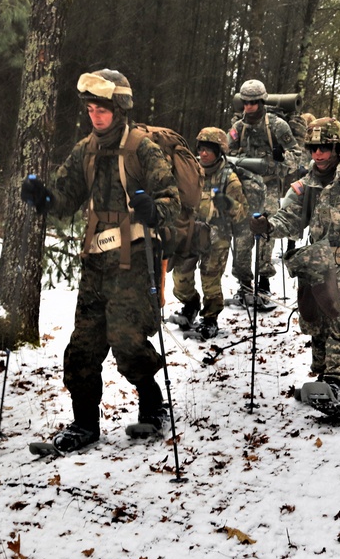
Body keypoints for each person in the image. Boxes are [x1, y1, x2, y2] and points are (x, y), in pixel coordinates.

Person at [20, 68, 180, 451]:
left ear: (119, 108)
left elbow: (171, 201)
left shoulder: (143, 148)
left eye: (103, 108)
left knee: (126, 340)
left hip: (135, 259)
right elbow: (65, 199)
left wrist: (151, 209)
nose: (95, 115)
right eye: (91, 108)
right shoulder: (84, 150)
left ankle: (152, 405)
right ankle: (84, 423)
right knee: (83, 346)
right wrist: (43, 198)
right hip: (95, 261)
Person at [249, 117, 340, 401]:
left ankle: (336, 380)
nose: (319, 154)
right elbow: (287, 219)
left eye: (325, 147)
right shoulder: (304, 186)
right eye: (314, 148)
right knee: (318, 319)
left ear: (338, 148)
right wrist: (267, 226)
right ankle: (325, 374)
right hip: (319, 259)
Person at [167, 128, 248, 340]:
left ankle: (210, 318)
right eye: (201, 149)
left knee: (210, 279)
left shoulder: (229, 178)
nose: (203, 154)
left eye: (208, 151)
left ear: (219, 152)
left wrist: (228, 204)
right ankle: (190, 305)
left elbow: (242, 213)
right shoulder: (190, 172)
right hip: (190, 232)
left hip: (216, 236)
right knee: (180, 277)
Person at [227, 79, 301, 310]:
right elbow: (226, 151)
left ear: (261, 102)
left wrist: (280, 161)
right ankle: (244, 283)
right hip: (243, 187)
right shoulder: (238, 127)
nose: (249, 107)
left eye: (254, 103)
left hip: (268, 186)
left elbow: (296, 155)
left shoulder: (277, 125)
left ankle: (263, 282)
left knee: (265, 234)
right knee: (241, 236)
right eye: (246, 103)